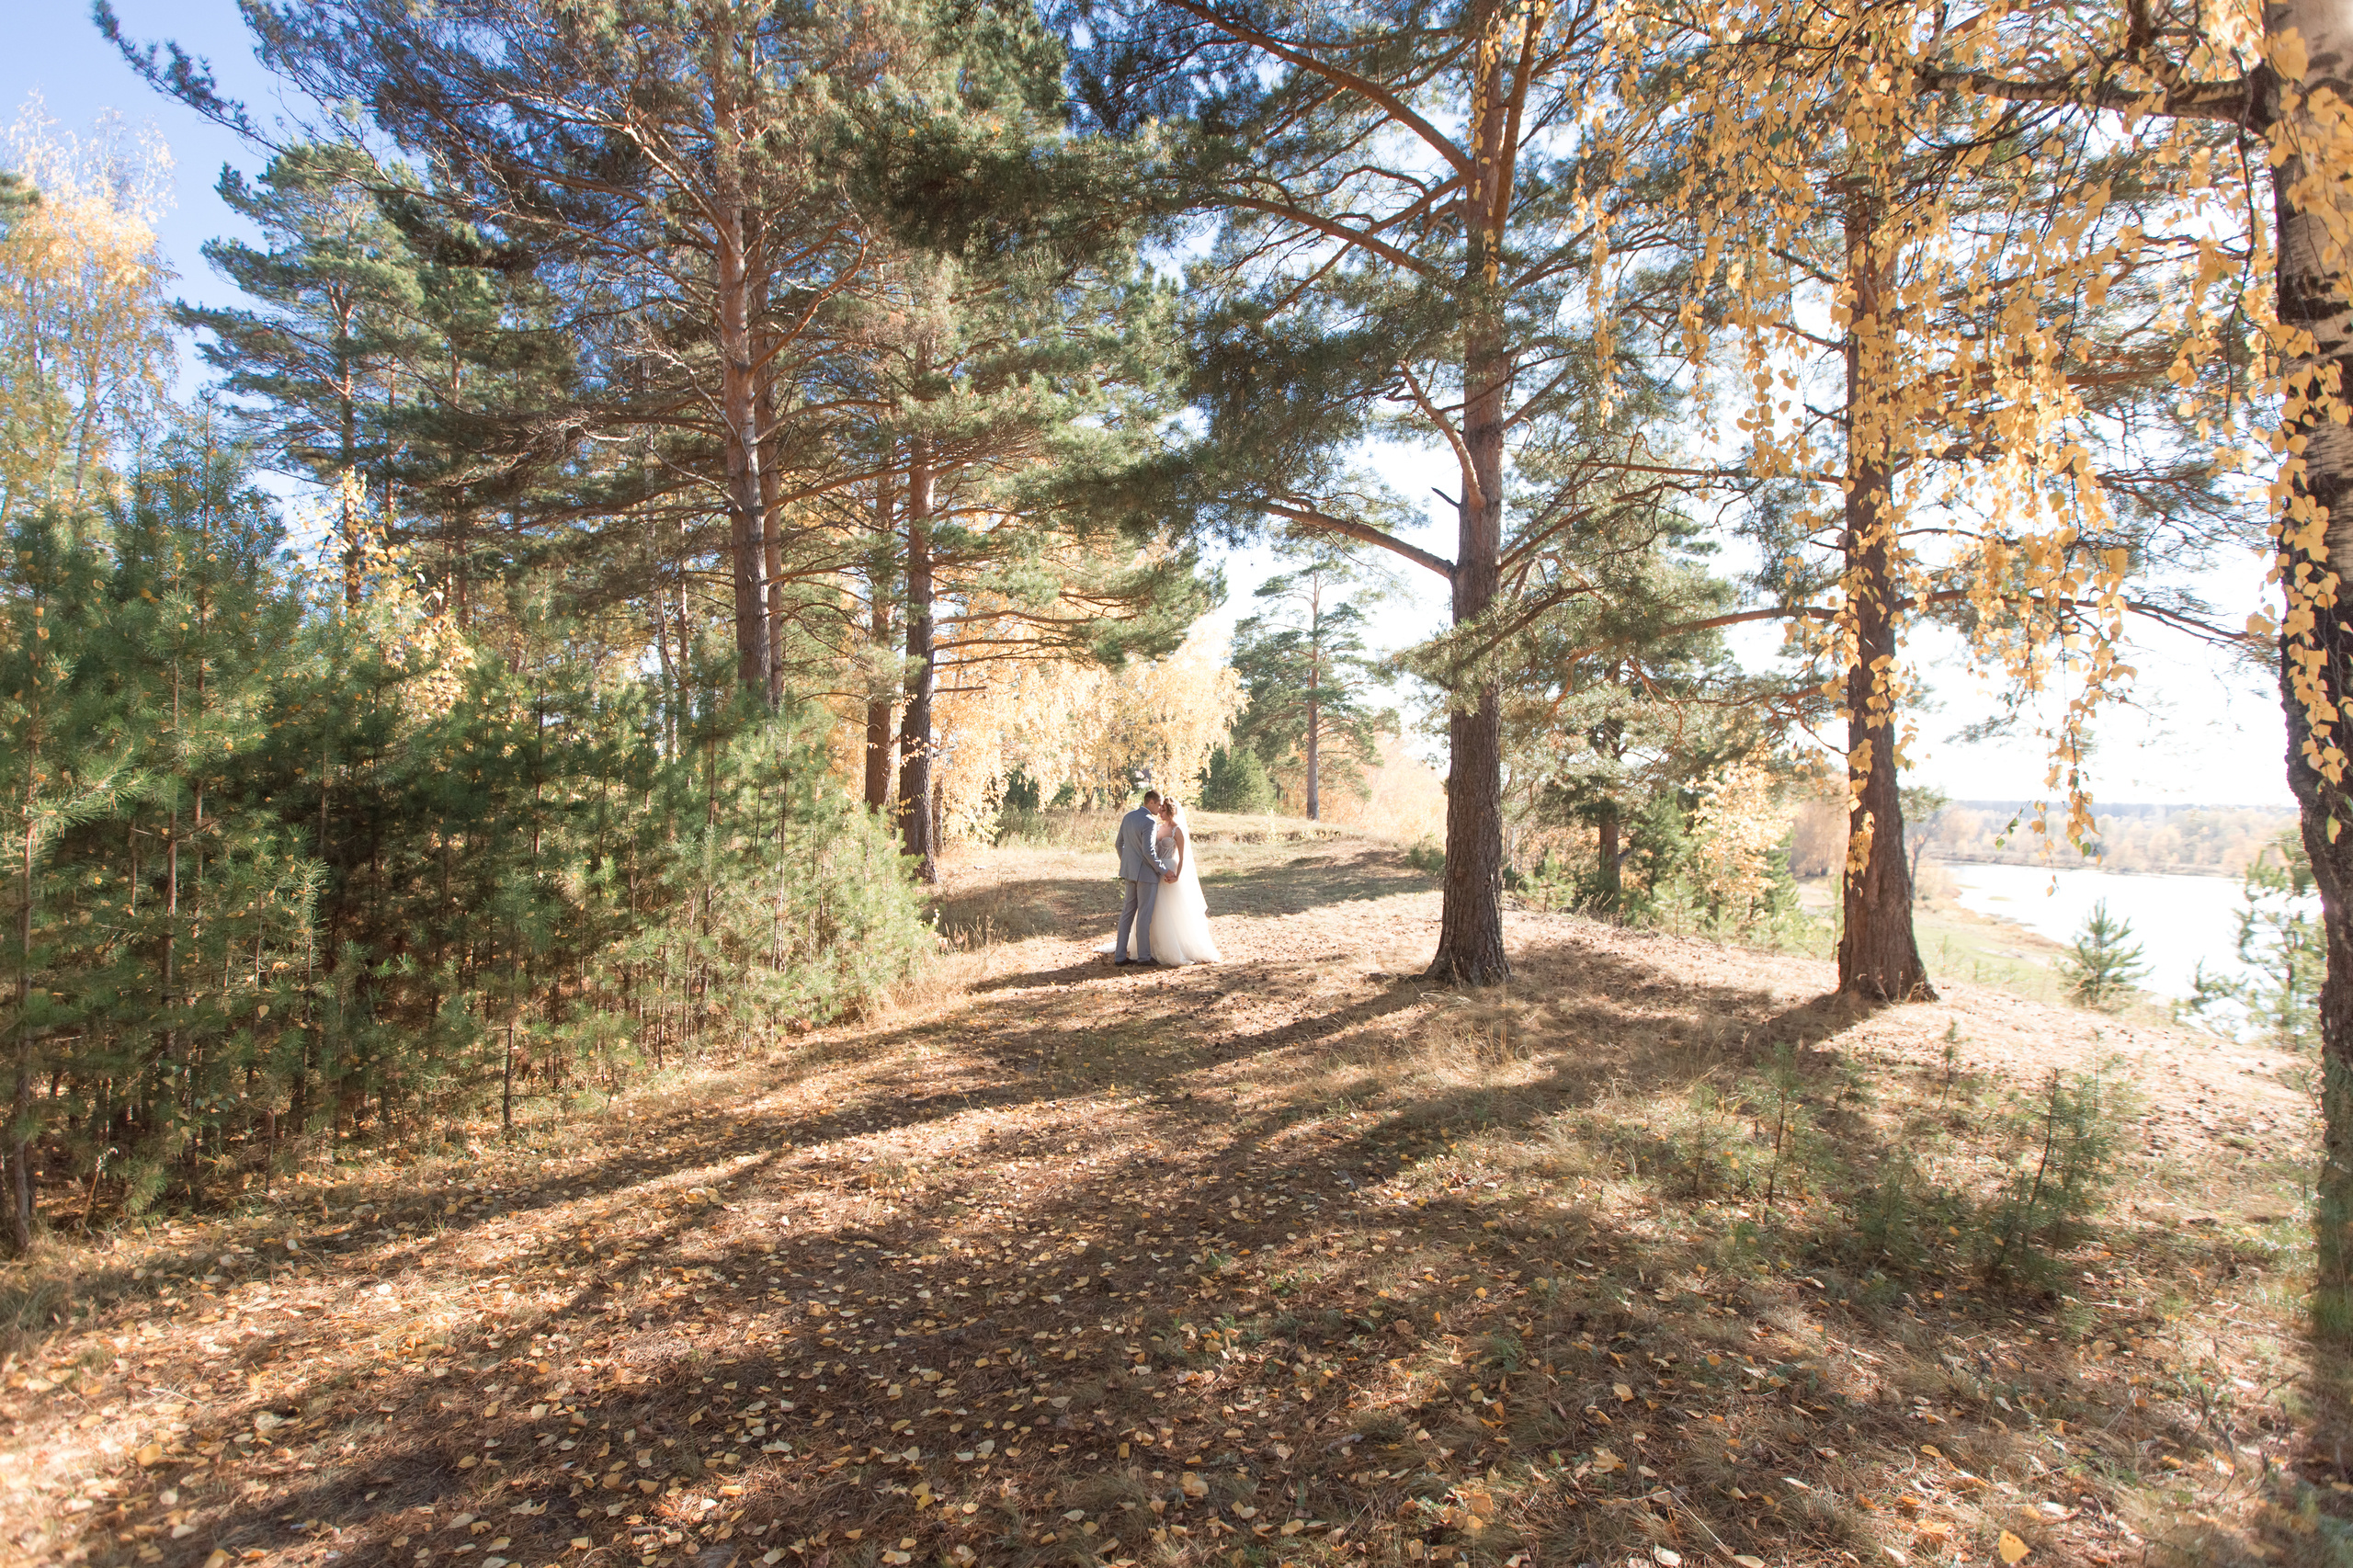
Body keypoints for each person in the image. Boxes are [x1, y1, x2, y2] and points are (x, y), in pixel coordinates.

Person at [1143, 795, 1221, 964]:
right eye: (1160, 810)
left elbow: (1183, 857)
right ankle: (1152, 945)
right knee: (1155, 908)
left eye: (1164, 810)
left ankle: (1175, 945)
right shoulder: (1157, 827)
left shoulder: (1177, 830)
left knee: (1171, 908)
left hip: (1170, 870)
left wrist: (1177, 876)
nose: (1160, 813)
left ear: (1171, 811)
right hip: (1156, 871)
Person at [1112, 789, 1176, 966]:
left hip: (1129, 872)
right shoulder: (1149, 821)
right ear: (1151, 802)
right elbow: (1149, 852)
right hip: (1146, 875)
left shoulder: (1128, 817)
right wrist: (1164, 870)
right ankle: (1144, 957)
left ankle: (1119, 957)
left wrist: (1127, 863)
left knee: (1127, 914)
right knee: (1144, 916)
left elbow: (1118, 844)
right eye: (1159, 804)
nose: (1160, 808)